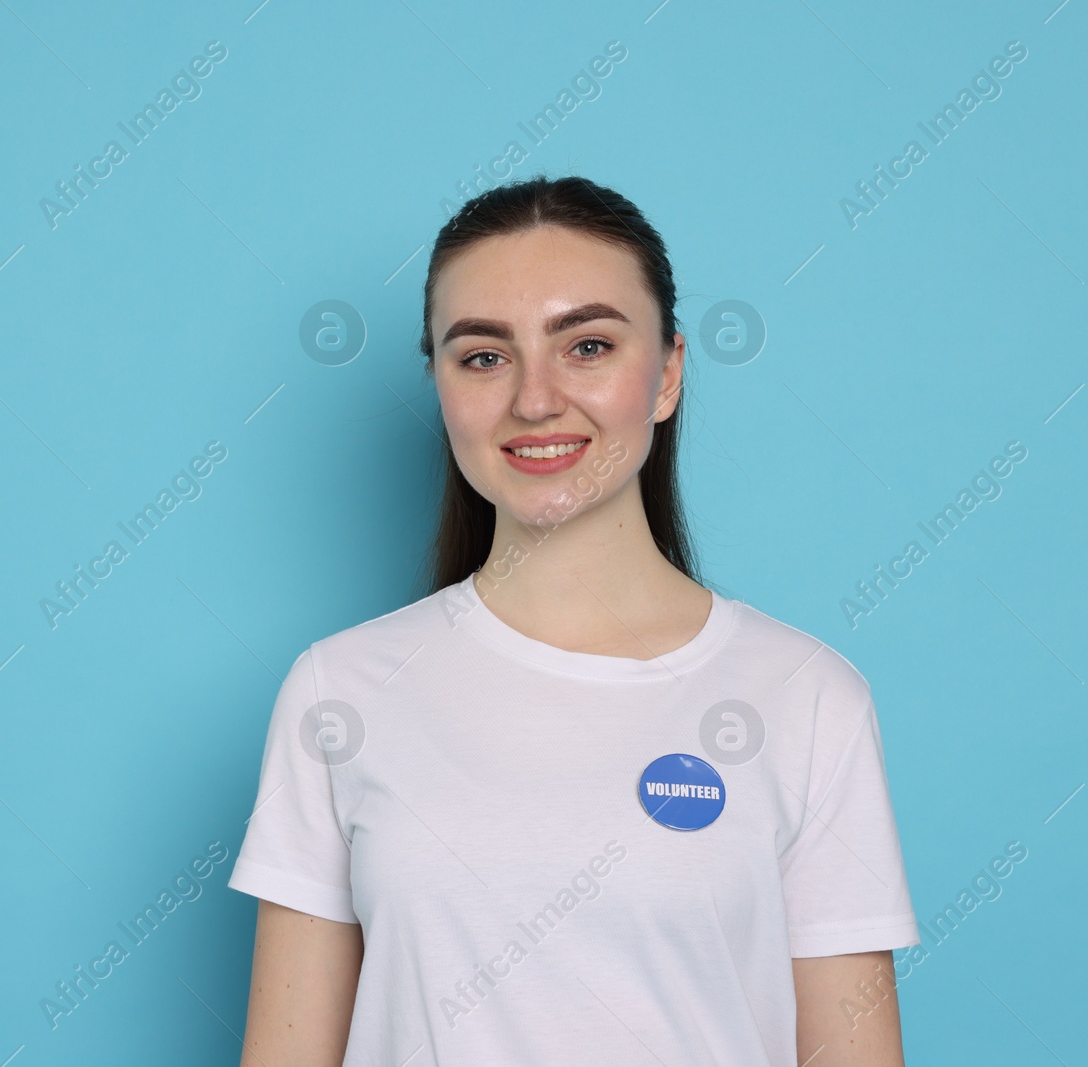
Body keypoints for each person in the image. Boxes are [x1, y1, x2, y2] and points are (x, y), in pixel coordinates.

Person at [227, 175, 918, 1066]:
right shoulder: (339, 692)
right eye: (483, 356)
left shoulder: (807, 698)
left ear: (667, 373)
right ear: (438, 382)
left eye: (586, 345)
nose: (535, 399)